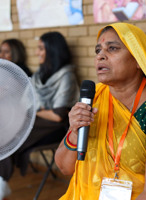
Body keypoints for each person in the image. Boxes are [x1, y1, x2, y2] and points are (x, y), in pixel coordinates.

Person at [55, 22, 146, 200]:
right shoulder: (95, 99)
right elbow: (64, 167)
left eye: (112, 48)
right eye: (98, 50)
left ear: (139, 59)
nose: (101, 56)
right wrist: (76, 131)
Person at [0, 31, 79, 199]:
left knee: (12, 134)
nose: (36, 53)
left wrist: (31, 113)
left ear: (53, 51)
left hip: (57, 127)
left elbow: (58, 115)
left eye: (41, 48)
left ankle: (1, 182)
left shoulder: (66, 76)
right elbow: (24, 105)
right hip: (38, 121)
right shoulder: (38, 76)